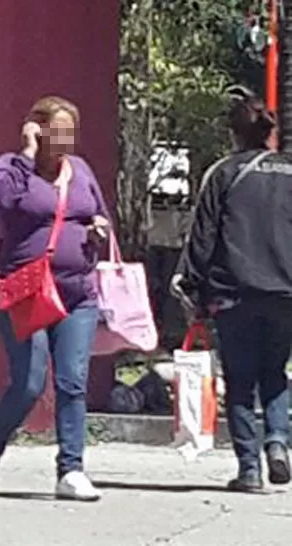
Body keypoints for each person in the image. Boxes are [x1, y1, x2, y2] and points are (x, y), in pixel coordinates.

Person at [0, 96, 110, 501]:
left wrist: (98, 226)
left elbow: (97, 212)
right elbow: (2, 198)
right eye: (58, 130)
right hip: (27, 292)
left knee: (72, 381)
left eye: (72, 131)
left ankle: (71, 469)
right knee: (30, 383)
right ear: (38, 129)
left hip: (76, 293)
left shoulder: (80, 171)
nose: (66, 140)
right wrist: (28, 154)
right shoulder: (12, 168)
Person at [171, 92, 292, 492]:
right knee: (275, 372)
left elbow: (202, 237)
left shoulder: (222, 174)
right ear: (269, 132)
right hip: (285, 293)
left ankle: (249, 470)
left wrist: (191, 286)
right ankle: (277, 442)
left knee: (240, 380)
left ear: (232, 133)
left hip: (234, 292)